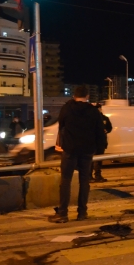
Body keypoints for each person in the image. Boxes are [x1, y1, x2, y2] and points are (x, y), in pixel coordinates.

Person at [49, 86, 106, 223]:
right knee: (84, 181)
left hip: (70, 150)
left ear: (74, 96)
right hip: (87, 150)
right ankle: (82, 212)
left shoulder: (67, 109)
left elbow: (61, 125)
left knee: (66, 181)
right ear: (87, 96)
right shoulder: (93, 111)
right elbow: (100, 131)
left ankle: (63, 213)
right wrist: (100, 147)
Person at [91, 104, 113, 183]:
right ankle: (90, 177)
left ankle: (98, 176)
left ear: (100, 109)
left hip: (101, 142)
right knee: (92, 160)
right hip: (93, 142)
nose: (97, 110)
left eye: (98, 108)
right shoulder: (90, 118)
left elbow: (109, 128)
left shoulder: (105, 118)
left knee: (99, 160)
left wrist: (106, 130)